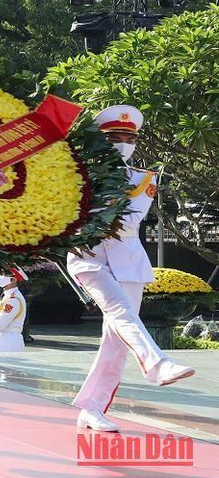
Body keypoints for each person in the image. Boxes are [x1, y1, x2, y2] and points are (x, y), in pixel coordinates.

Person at [68, 105, 194, 432]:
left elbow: (129, 221)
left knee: (116, 342)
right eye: (114, 137)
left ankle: (91, 406)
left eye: (129, 138)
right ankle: (157, 364)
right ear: (100, 139)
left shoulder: (143, 179)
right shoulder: (74, 173)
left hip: (129, 260)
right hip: (88, 256)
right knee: (121, 312)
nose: (123, 143)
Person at [0, 267, 27, 354]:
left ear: (13, 280)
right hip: (2, 339)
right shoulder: (8, 296)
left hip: (7, 342)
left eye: (5, 275)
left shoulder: (13, 300)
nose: (1, 277)